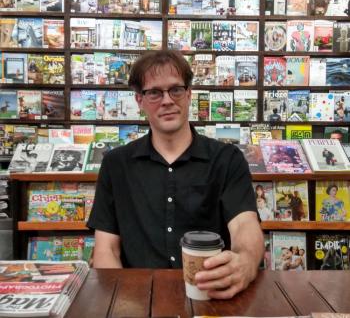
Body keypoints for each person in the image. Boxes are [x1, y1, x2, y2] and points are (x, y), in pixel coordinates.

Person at [88, 50, 264, 299]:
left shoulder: (227, 159)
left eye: (176, 90)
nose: (167, 100)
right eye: (154, 93)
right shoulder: (116, 164)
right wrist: (123, 303)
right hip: (136, 300)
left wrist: (245, 262)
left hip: (213, 298)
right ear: (139, 101)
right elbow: (107, 248)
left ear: (189, 94)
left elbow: (245, 225)